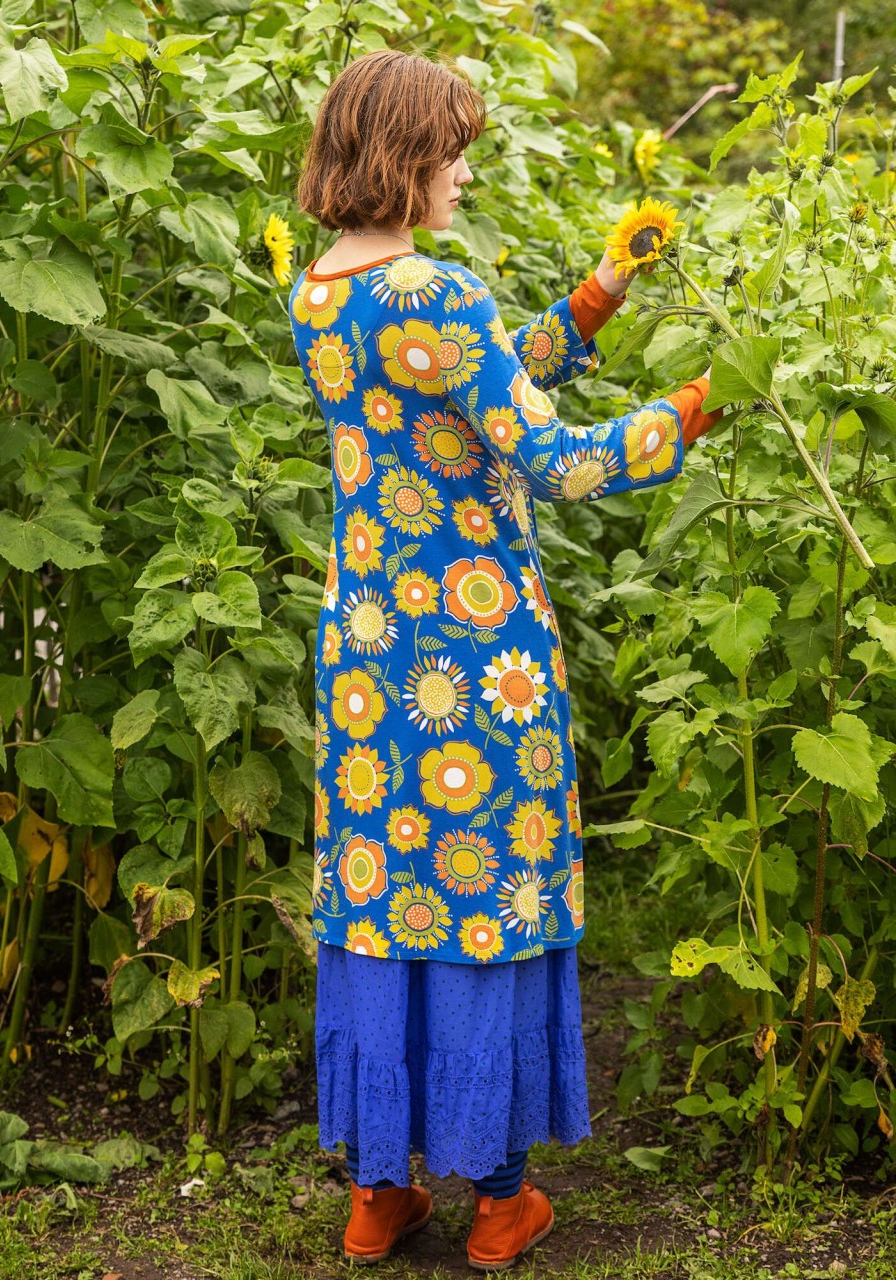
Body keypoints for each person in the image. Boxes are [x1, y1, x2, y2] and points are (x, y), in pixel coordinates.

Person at [288, 49, 724, 1270]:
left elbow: (462, 387)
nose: (465, 171)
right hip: (482, 666)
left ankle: (378, 1196)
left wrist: (590, 299)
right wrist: (694, 404)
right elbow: (561, 460)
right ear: (403, 159)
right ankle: (496, 1202)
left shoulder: (321, 289)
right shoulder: (433, 292)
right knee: (489, 891)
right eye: (453, 150)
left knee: (383, 893)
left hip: (376, 660)